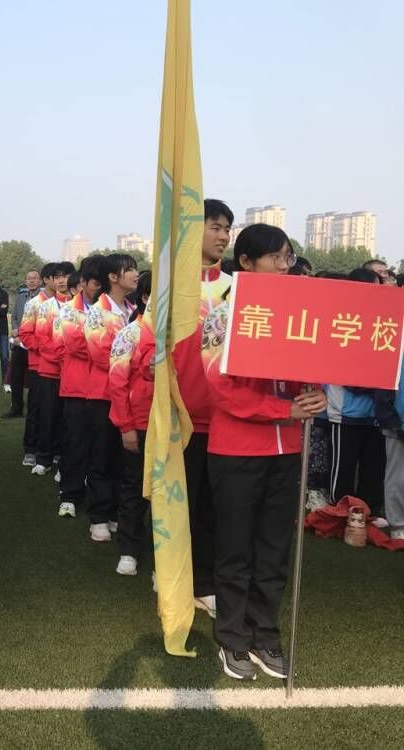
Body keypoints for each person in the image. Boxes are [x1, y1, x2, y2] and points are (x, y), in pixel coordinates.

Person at [202, 223, 327, 681]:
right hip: (237, 450)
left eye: (287, 257)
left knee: (274, 549)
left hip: (286, 450)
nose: (283, 265)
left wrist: (314, 395)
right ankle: (233, 638)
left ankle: (265, 634)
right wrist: (283, 409)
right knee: (236, 549)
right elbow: (220, 389)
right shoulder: (222, 316)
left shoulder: (298, 317)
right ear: (246, 263)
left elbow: (312, 373)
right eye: (275, 257)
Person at [172, 198, 234, 618]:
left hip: (228, 417)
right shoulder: (173, 288)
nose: (223, 235)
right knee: (182, 504)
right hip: (184, 417)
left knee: (215, 505)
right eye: (215, 226)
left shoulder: (237, 289)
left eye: (227, 228)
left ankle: (207, 582)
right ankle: (177, 574)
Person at [320, 268, 386, 522]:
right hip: (345, 412)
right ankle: (340, 508)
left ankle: (370, 510)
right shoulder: (341, 320)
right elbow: (340, 367)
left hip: (375, 414)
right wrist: (373, 383)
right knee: (343, 466)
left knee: (373, 466)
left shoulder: (383, 322)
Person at [83, 254, 139, 542]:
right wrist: (136, 364)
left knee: (122, 458)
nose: (136, 274)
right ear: (113, 277)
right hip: (103, 394)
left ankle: (116, 511)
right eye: (129, 270)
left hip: (128, 396)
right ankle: (99, 516)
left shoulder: (133, 310)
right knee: (102, 456)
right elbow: (100, 354)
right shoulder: (97, 312)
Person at [107, 272, 153, 575]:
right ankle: (129, 549)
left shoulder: (183, 333)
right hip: (140, 424)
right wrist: (126, 426)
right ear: (145, 298)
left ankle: (164, 554)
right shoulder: (130, 333)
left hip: (174, 427)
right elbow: (117, 383)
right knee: (135, 487)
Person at [53, 256, 103, 518]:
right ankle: (70, 494)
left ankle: (98, 497)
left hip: (104, 388)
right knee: (75, 442)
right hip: (77, 387)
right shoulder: (69, 311)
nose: (99, 287)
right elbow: (74, 345)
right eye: (95, 282)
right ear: (83, 282)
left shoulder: (116, 308)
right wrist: (108, 350)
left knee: (100, 446)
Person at [32, 262, 73, 476]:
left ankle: (64, 460)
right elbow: (41, 338)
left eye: (65, 276)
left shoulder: (80, 306)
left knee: (69, 420)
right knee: (47, 416)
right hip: (50, 370)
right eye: (57, 277)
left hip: (72, 373)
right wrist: (60, 357)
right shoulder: (46, 307)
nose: (61, 280)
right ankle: (44, 458)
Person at [2, 270, 42, 419]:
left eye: (34, 278)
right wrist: (14, 329)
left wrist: (23, 334)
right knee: (16, 377)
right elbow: (14, 317)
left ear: (40, 281)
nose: (31, 281)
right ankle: (16, 408)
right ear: (25, 281)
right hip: (19, 344)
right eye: (29, 278)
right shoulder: (20, 298)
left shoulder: (44, 299)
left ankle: (35, 409)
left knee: (34, 379)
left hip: (33, 345)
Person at [375, 369, 404, 540]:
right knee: (397, 475)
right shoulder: (397, 355)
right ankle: (398, 524)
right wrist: (392, 420)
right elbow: (384, 384)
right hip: (397, 422)